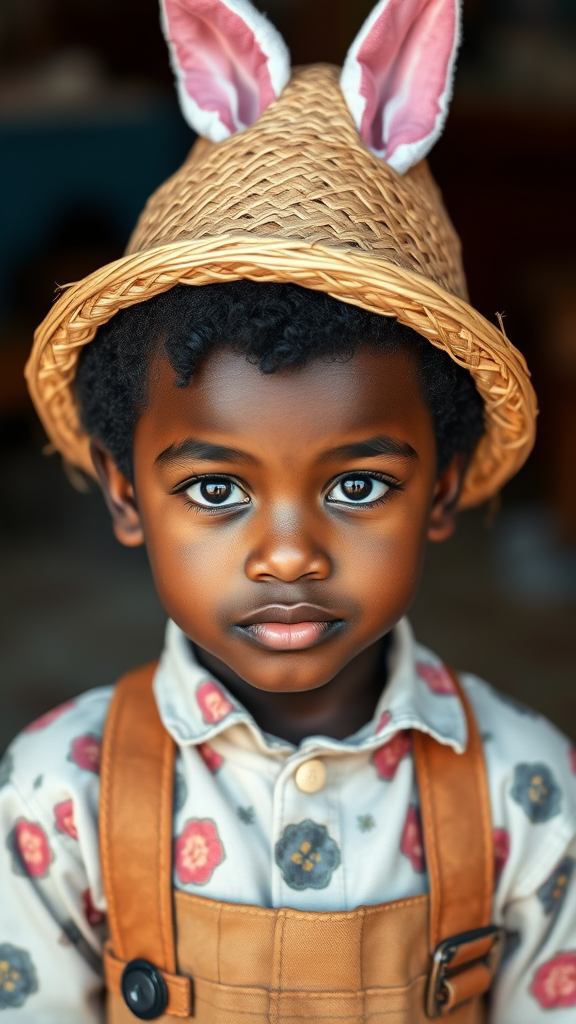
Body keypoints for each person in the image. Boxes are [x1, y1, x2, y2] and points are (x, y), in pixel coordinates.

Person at [1, 0, 575, 1021]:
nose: (288, 553)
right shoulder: (54, 797)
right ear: (126, 493)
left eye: (358, 485)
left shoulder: (531, 795)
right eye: (216, 488)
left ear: (441, 489)